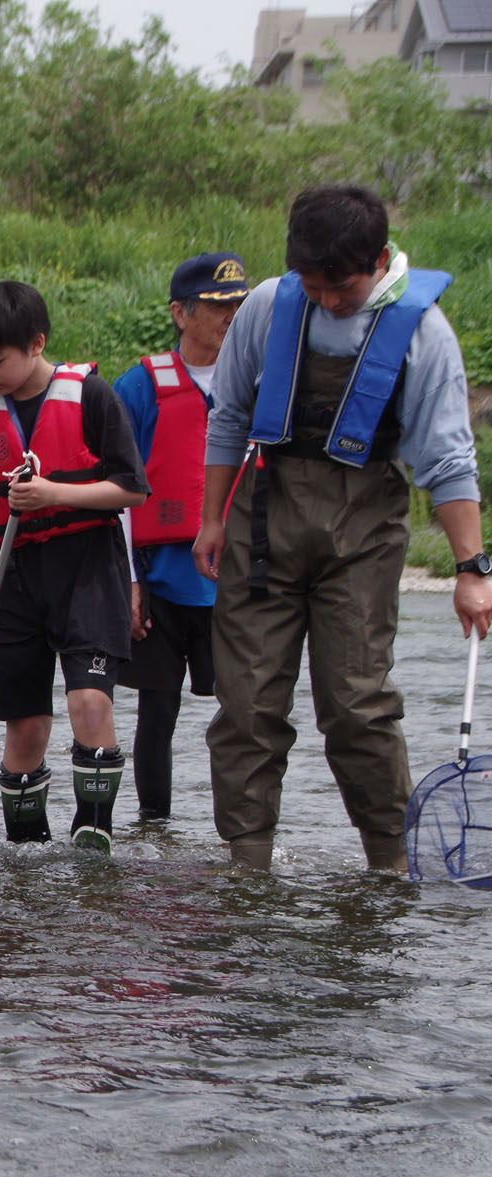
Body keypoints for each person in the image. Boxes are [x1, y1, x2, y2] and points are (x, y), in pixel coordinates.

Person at [193, 184, 492, 872]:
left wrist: (471, 571)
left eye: (343, 288)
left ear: (381, 260)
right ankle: (248, 864)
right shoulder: (268, 305)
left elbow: (447, 460)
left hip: (364, 530)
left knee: (358, 705)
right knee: (247, 704)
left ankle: (390, 863)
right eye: (315, 285)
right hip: (263, 519)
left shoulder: (424, 332)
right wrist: (212, 520)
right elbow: (231, 416)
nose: (328, 300)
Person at [0, 281, 150, 851]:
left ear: (36, 343)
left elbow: (131, 490)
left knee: (89, 701)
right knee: (25, 725)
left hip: (88, 571)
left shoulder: (92, 397)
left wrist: (55, 494)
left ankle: (94, 830)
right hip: (15, 579)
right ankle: (27, 850)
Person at [111, 253, 249, 820]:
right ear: (180, 313)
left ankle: (241, 836)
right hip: (160, 580)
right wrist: (130, 582)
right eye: (218, 307)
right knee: (156, 711)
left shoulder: (258, 383)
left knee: (245, 712)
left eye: (239, 306)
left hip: (235, 580)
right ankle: (155, 828)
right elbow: (117, 490)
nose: (231, 317)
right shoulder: (139, 387)